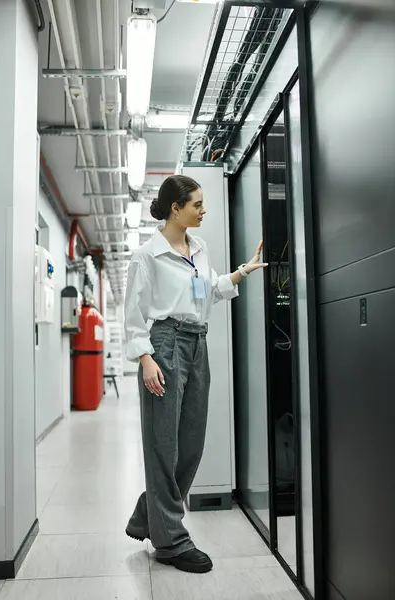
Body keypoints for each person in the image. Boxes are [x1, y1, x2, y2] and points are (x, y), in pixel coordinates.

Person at [124, 174, 268, 574]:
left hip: (196, 342)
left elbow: (203, 294)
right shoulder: (147, 256)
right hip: (164, 343)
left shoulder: (197, 248)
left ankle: (147, 516)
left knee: (191, 443)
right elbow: (134, 315)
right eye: (197, 205)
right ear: (176, 208)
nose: (204, 211)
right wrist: (146, 358)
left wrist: (242, 271)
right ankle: (170, 541)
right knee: (162, 442)